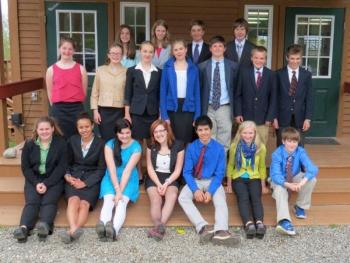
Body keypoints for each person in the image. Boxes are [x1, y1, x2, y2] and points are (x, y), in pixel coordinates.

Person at [178, 115, 240, 247]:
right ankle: (202, 227)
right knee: (183, 197)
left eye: (206, 129)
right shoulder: (191, 147)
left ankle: (221, 230)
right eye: (200, 130)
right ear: (196, 131)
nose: (204, 133)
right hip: (196, 180)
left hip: (213, 180)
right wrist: (195, 190)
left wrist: (210, 192)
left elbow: (219, 174)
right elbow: (187, 172)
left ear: (211, 130)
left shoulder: (219, 148)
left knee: (220, 199)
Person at [13, 117, 67, 243]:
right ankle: (23, 228)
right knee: (32, 202)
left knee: (49, 202)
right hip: (34, 178)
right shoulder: (30, 144)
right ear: (36, 130)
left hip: (53, 178)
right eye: (41, 129)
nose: (44, 132)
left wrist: (47, 183)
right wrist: (37, 183)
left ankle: (44, 225)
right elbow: (25, 168)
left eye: (47, 129)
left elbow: (61, 167)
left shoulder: (61, 143)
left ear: (53, 129)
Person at [60, 113, 106, 244]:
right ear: (77, 128)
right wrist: (67, 175)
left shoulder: (101, 143)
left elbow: (101, 169)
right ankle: (74, 229)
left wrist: (86, 183)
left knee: (84, 204)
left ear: (92, 126)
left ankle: (72, 231)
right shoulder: (72, 140)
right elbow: (66, 163)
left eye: (87, 126)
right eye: (81, 127)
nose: (84, 130)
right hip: (74, 177)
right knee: (73, 200)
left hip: (92, 179)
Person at [96, 119, 141, 241]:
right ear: (116, 133)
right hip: (111, 177)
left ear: (131, 131)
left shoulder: (136, 147)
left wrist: (120, 192)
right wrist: (116, 189)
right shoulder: (109, 145)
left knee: (121, 202)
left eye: (127, 132)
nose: (125, 136)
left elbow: (127, 171)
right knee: (109, 201)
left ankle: (113, 230)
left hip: (129, 178)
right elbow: (111, 169)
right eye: (122, 133)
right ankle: (103, 227)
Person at [124, 41, 161, 182]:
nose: (147, 54)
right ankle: (139, 172)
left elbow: (159, 94)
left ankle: (152, 172)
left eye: (150, 52)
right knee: (138, 144)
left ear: (153, 54)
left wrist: (160, 113)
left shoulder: (158, 72)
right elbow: (127, 94)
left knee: (152, 144)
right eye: (145, 51)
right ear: (140, 52)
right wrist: (127, 114)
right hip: (137, 112)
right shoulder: (132, 70)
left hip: (152, 112)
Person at [270, 127, 318, 236]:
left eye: (295, 141)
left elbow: (313, 168)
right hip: (280, 178)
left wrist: (302, 182)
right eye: (289, 141)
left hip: (294, 176)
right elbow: (275, 175)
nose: (292, 144)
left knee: (311, 179)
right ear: (283, 141)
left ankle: (300, 206)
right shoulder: (277, 154)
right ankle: (284, 221)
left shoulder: (300, 151)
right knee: (280, 188)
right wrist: (288, 185)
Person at [226, 121, 269, 239]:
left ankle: (259, 223)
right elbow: (230, 165)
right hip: (238, 177)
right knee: (243, 197)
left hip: (254, 177)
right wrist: (229, 183)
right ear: (240, 133)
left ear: (255, 133)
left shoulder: (261, 147)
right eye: (245, 133)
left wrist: (263, 185)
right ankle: (248, 224)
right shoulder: (235, 146)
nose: (248, 136)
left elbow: (261, 167)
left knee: (256, 197)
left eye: (250, 133)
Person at [145, 120, 185, 240]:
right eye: (155, 132)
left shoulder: (178, 145)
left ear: (167, 131)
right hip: (154, 177)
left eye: (161, 130)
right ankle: (159, 226)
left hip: (171, 177)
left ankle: (159, 227)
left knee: (172, 195)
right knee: (156, 198)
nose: (159, 134)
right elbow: (149, 167)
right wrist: (158, 184)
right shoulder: (150, 145)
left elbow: (178, 170)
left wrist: (166, 183)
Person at [198, 36, 238, 152]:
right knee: (209, 138)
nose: (217, 48)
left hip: (225, 107)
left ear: (225, 48)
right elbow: (200, 89)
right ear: (210, 49)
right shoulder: (202, 67)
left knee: (224, 141)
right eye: (214, 46)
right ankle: (211, 168)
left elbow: (235, 89)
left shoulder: (233, 66)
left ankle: (221, 169)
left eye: (220, 46)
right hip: (208, 107)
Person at [46, 37, 88, 139]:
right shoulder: (51, 70)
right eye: (64, 48)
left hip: (76, 109)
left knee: (77, 138)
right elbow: (50, 92)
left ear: (73, 50)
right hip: (59, 110)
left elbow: (84, 91)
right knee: (59, 137)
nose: (67, 51)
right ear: (60, 49)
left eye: (70, 49)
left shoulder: (81, 69)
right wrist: (57, 107)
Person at [160, 39, 201, 144]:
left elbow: (197, 93)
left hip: (188, 108)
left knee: (186, 140)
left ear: (186, 50)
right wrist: (164, 114)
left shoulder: (193, 68)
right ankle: (175, 161)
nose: (179, 52)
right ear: (172, 52)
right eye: (176, 50)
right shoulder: (167, 67)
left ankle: (185, 160)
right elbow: (163, 91)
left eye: (181, 49)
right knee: (172, 140)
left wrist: (197, 115)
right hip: (172, 108)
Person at [235, 46, 277, 145]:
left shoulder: (271, 75)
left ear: (265, 60)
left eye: (262, 58)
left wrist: (269, 117)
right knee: (245, 144)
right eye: (256, 58)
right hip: (245, 117)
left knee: (261, 145)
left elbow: (273, 98)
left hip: (263, 118)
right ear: (251, 58)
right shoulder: (243, 72)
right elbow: (238, 95)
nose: (258, 60)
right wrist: (238, 113)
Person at [274, 44, 313, 146]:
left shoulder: (306, 75)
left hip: (300, 116)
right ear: (287, 58)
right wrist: (274, 118)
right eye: (292, 58)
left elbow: (309, 97)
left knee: (299, 145)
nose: (295, 61)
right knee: (282, 144)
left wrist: (307, 118)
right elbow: (274, 97)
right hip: (282, 116)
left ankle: (297, 162)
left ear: (301, 58)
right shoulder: (278, 74)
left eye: (297, 59)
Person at [91, 43, 127, 141]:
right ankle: (107, 156)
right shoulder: (100, 70)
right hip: (104, 111)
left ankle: (118, 156)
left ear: (122, 55)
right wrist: (95, 110)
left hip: (120, 110)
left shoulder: (127, 71)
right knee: (106, 139)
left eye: (118, 53)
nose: (115, 56)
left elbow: (128, 94)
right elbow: (95, 92)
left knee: (120, 138)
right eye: (113, 53)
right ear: (108, 55)